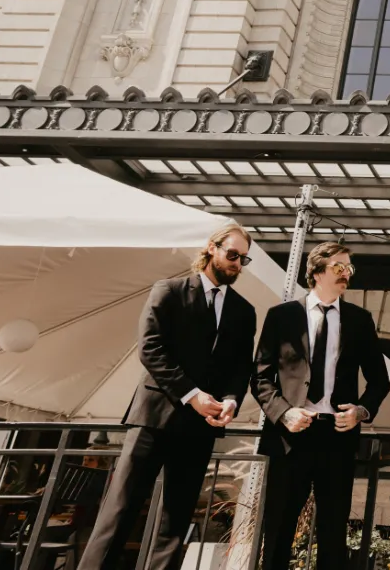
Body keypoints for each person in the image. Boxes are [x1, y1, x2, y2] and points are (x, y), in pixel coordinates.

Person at [80, 225, 258, 570]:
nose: (237, 263)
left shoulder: (244, 310)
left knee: (175, 521)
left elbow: (240, 367)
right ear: (212, 248)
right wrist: (192, 395)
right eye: (232, 254)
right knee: (120, 508)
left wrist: (232, 401)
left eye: (243, 258)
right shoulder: (170, 290)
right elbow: (150, 348)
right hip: (154, 417)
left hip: (201, 427)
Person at [252, 242, 390, 570]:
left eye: (349, 268)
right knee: (278, 529)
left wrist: (361, 412)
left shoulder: (360, 320)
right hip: (291, 435)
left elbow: (380, 381)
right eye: (339, 267)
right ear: (315, 272)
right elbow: (260, 377)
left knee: (332, 532)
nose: (347, 274)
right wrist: (284, 413)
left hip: (337, 436)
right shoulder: (282, 316)